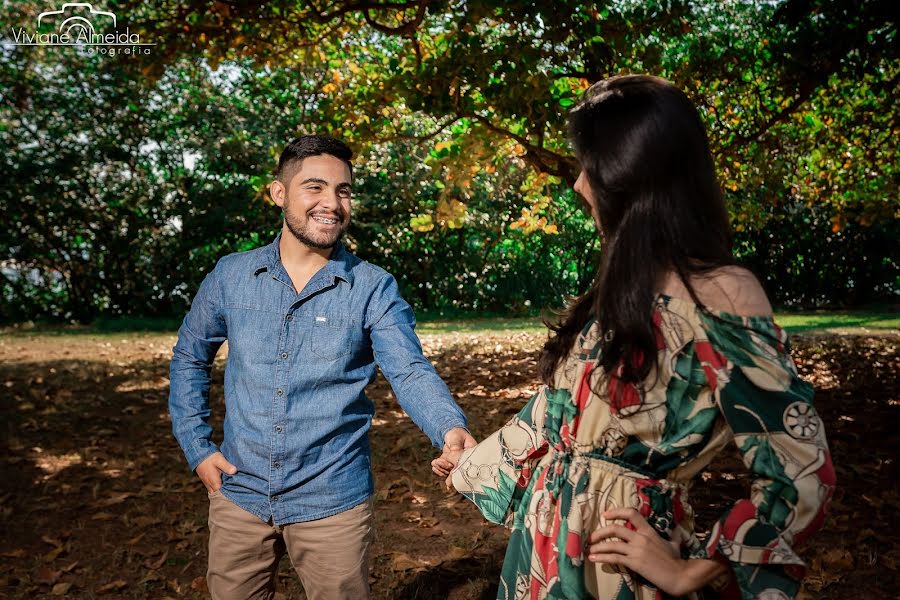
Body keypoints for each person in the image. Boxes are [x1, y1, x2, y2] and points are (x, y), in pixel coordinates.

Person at [433, 76, 835, 600]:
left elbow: (799, 468)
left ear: (630, 176)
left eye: (587, 166)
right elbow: (559, 420)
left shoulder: (721, 294)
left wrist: (693, 570)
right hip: (539, 558)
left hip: (617, 571)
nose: (578, 184)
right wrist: (471, 466)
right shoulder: (618, 288)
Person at [168, 135, 475, 600]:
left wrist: (449, 429)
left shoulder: (373, 288)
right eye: (315, 187)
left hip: (332, 501)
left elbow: (408, 369)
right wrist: (197, 446)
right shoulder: (231, 275)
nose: (331, 203)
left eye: (343, 190)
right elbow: (191, 355)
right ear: (278, 193)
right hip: (238, 493)